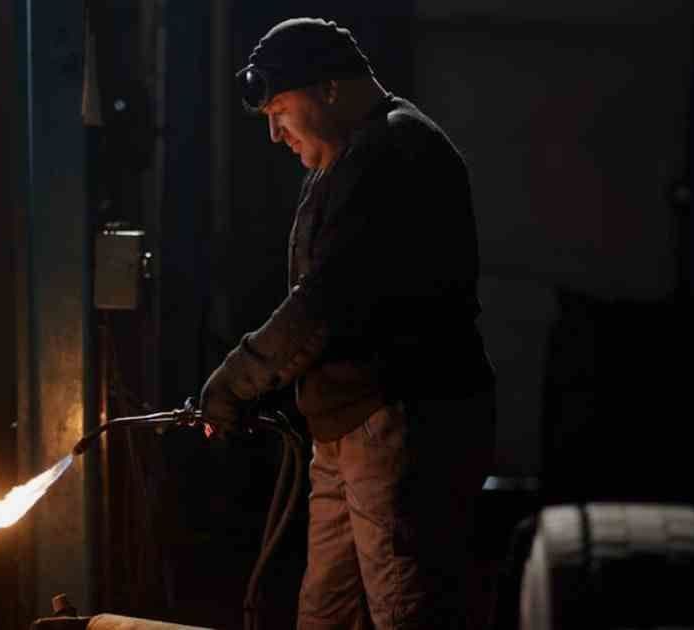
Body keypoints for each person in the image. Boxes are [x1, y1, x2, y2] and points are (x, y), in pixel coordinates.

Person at [200, 17, 497, 630]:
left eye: (280, 110)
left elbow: (327, 301)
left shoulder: (394, 153)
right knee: (327, 613)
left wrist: (235, 382)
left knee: (407, 610)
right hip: (350, 425)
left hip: (398, 423)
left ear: (330, 89)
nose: (276, 134)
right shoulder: (348, 158)